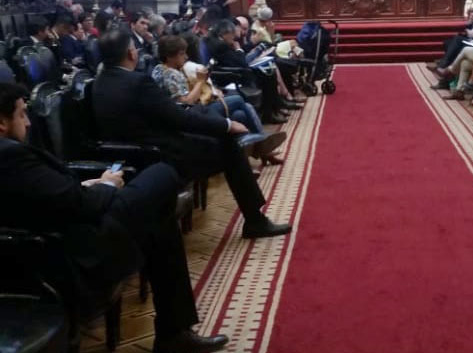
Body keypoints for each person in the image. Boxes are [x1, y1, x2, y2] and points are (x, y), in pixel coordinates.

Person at [0, 81, 229, 353]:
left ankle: (174, 331)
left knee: (159, 218)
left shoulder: (11, 156)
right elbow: (78, 205)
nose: (27, 123)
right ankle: (173, 332)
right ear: (2, 122)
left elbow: (42, 196)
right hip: (71, 248)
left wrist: (86, 185)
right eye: (22, 114)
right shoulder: (9, 156)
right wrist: (106, 185)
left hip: (67, 227)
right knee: (162, 175)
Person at [92, 29, 291, 239]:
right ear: (131, 54)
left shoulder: (100, 82)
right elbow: (177, 117)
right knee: (228, 145)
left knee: (218, 135)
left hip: (129, 153)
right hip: (159, 155)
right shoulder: (138, 82)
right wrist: (225, 125)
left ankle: (254, 162)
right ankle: (255, 221)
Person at [151, 35, 285, 163]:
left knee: (240, 114)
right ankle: (263, 145)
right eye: (181, 54)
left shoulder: (158, 69)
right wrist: (200, 82)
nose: (185, 57)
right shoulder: (172, 74)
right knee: (237, 99)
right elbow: (186, 102)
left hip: (190, 111)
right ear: (169, 56)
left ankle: (247, 157)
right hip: (191, 114)